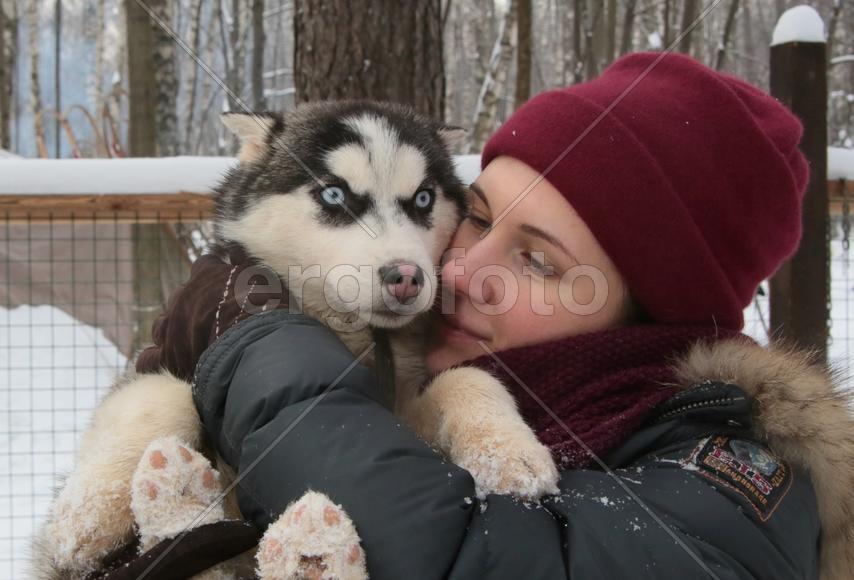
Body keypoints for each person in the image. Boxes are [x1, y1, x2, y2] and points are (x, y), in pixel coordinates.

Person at [147, 53, 854, 578]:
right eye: (477, 217)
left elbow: (461, 556)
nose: (458, 271)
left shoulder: (735, 491)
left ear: (650, 317)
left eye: (538, 261)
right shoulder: (397, 364)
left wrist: (254, 350)